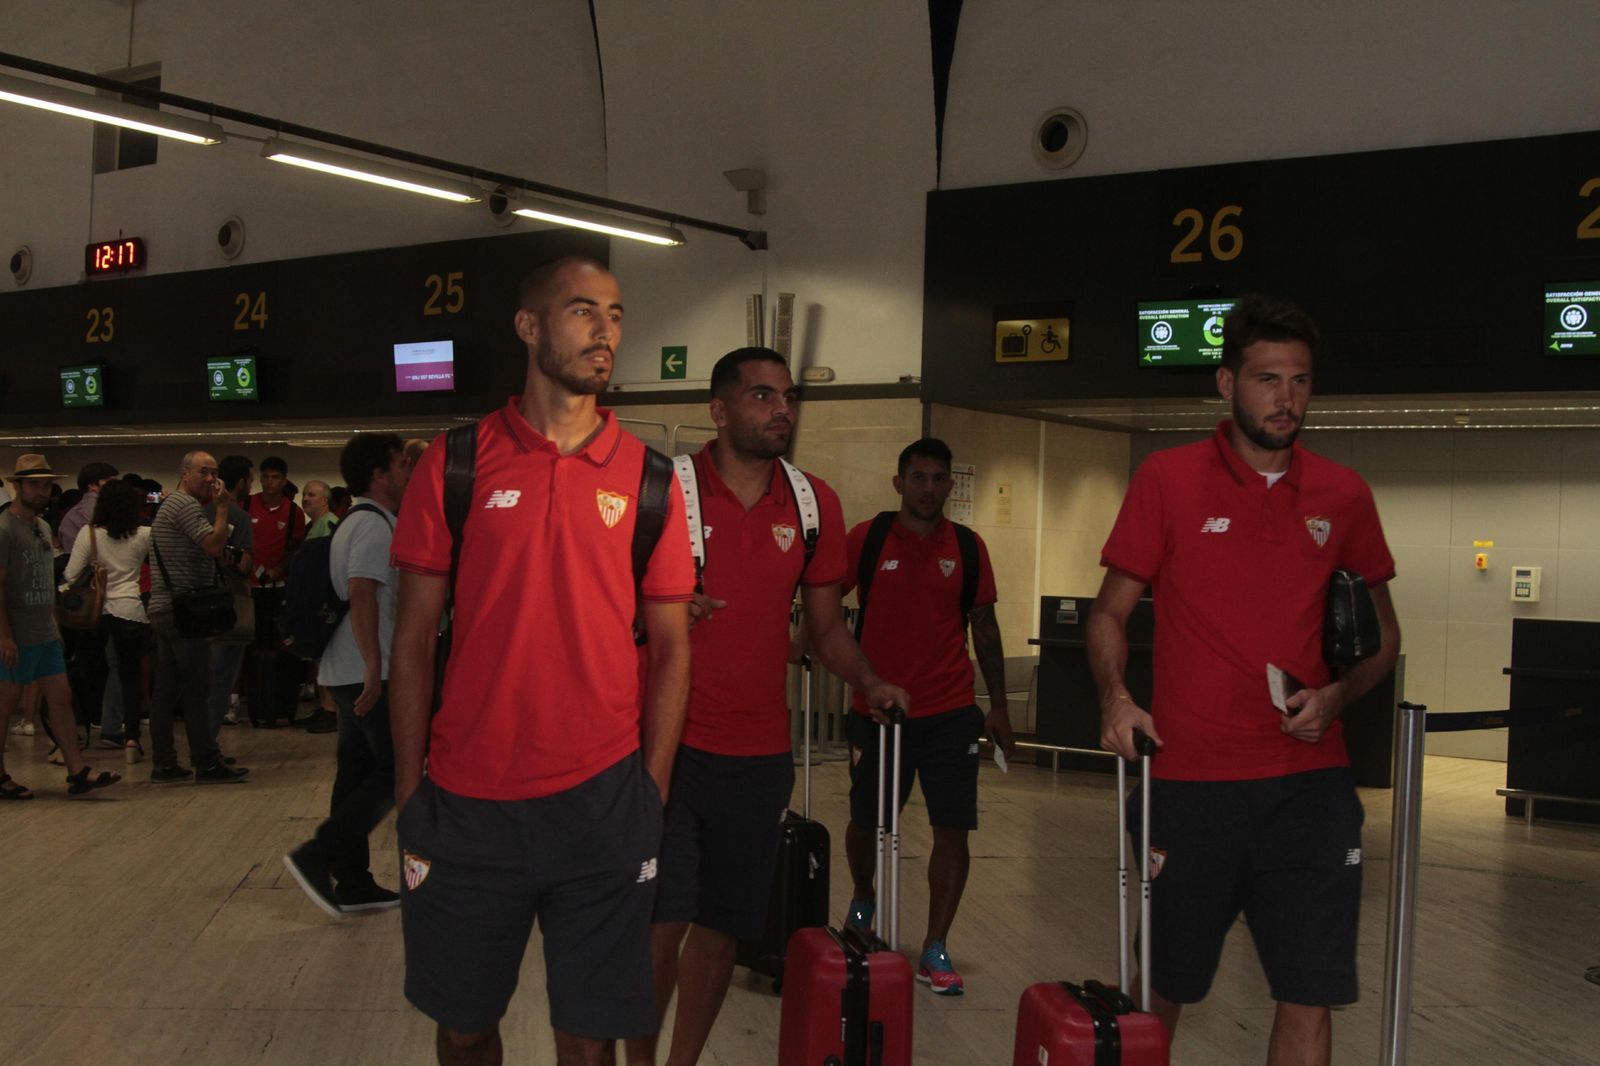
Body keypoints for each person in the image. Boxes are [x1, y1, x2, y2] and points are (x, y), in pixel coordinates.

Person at [389, 256, 694, 1066]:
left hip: (602, 803)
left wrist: (650, 790)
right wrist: (409, 787)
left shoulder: (652, 480)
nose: (606, 332)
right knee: (462, 1026)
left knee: (589, 1037)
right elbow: (413, 637)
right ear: (528, 327)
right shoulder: (455, 463)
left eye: (617, 315)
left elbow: (671, 647)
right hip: (465, 801)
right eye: (583, 311)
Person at [1085, 293, 1401, 1066]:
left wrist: (1336, 697)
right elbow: (1107, 617)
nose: (1285, 398)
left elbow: (1384, 638)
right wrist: (1117, 699)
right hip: (1188, 784)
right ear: (1227, 383)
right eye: (1267, 379)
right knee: (1162, 983)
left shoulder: (1344, 494)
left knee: (1309, 990)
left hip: (1309, 789)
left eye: (1299, 381)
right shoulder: (1167, 478)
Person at [631, 347, 911, 1066]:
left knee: (723, 936)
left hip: (758, 759)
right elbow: (602, 604)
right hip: (667, 748)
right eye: (761, 397)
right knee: (663, 927)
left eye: (786, 397)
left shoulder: (812, 503)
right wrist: (652, 611)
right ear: (719, 411)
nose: (781, 408)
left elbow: (824, 629)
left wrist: (867, 681)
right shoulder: (662, 491)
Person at [838, 436, 1013, 996]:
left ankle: (936, 944)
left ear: (950, 486)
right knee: (866, 818)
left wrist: (1000, 707)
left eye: (940, 479)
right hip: (878, 711)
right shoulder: (866, 540)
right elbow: (822, 604)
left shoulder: (965, 545)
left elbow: (983, 626)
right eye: (919, 477)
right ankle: (863, 900)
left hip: (950, 712)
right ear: (899, 483)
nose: (929, 488)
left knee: (953, 827)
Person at [284, 434, 411, 916]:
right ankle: (317, 856)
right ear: (379, 474)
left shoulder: (357, 521)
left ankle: (352, 880)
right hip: (364, 669)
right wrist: (376, 668)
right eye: (401, 464)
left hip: (346, 667)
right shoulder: (373, 526)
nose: (407, 472)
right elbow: (361, 593)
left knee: (356, 771)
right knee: (394, 769)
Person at [0, 454, 120, 800]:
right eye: (35, 484)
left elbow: (49, 581)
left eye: (47, 484)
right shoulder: (5, 529)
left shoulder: (43, 528)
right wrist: (5, 635)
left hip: (44, 631)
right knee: (6, 706)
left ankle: (77, 770)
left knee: (61, 700)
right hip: (17, 633)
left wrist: (56, 625)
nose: (42, 491)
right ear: (17, 486)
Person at [147, 450, 251, 785]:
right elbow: (213, 545)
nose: (210, 479)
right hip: (184, 613)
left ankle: (164, 763)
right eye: (203, 472)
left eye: (214, 473)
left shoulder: (170, 506)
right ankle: (206, 762)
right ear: (185, 473)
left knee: (165, 691)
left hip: (164, 608)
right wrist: (222, 508)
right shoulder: (185, 505)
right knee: (198, 689)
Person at [63, 479, 152, 764]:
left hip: (95, 613)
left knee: (90, 673)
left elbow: (70, 575)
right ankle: (131, 739)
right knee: (129, 677)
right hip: (130, 608)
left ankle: (88, 729)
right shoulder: (143, 535)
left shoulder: (89, 534)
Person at [207, 456, 255, 732]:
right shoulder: (239, 517)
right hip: (229, 603)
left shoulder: (198, 513)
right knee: (222, 677)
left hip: (198, 602)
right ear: (240, 483)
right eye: (250, 480)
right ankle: (208, 745)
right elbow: (245, 565)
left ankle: (200, 741)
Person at [246, 455, 305, 647]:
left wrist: (281, 568)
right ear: (260, 479)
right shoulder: (247, 504)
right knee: (247, 636)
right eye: (266, 477)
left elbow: (296, 548)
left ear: (284, 480)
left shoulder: (293, 512)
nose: (270, 482)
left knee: (274, 639)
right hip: (247, 584)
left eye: (275, 477)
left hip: (276, 585)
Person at [58, 461, 118, 555]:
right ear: (92, 485)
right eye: (109, 481)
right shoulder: (94, 507)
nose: (116, 486)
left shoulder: (78, 511)